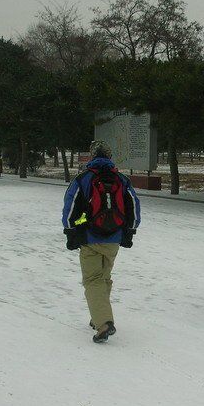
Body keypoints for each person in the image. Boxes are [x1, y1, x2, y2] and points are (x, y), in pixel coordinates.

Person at [62, 140, 141, 343]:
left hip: (89, 237)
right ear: (109, 156)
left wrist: (71, 231)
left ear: (91, 156)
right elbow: (134, 205)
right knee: (104, 277)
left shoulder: (83, 178)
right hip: (114, 238)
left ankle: (104, 323)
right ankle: (97, 315)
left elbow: (70, 208)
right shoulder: (121, 179)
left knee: (92, 280)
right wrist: (129, 232)